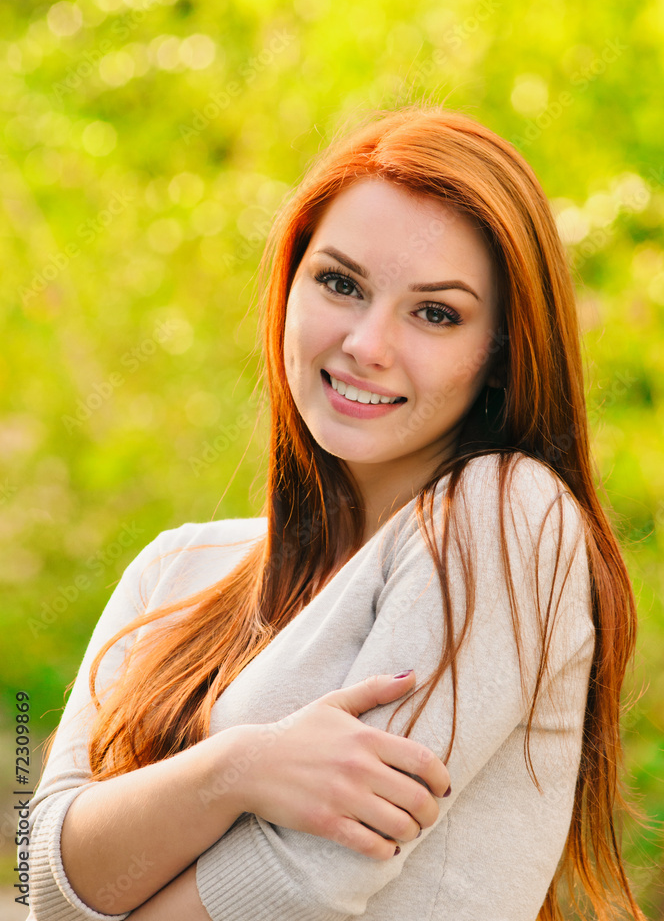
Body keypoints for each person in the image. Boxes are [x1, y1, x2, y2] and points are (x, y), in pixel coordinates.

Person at [28, 105, 645, 921]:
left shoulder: (507, 518)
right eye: (340, 283)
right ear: (289, 284)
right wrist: (240, 768)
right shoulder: (176, 570)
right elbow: (48, 884)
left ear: (499, 354)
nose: (366, 343)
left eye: (436, 313)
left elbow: (304, 884)